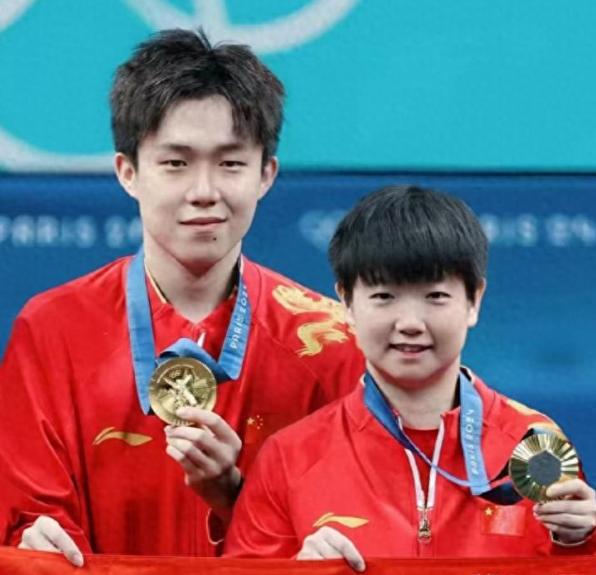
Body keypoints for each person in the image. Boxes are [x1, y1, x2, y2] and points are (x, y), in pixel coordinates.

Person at [0, 29, 364, 565]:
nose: (204, 192)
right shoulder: (53, 328)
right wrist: (35, 538)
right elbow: (28, 514)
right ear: (128, 172)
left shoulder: (332, 341)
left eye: (230, 164)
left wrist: (237, 496)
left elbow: (346, 531)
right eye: (176, 163)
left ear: (266, 175)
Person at [224, 185, 596, 569]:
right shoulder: (289, 457)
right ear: (346, 302)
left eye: (435, 296)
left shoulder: (533, 442)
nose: (410, 323)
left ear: (474, 300)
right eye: (384, 297)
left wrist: (582, 542)